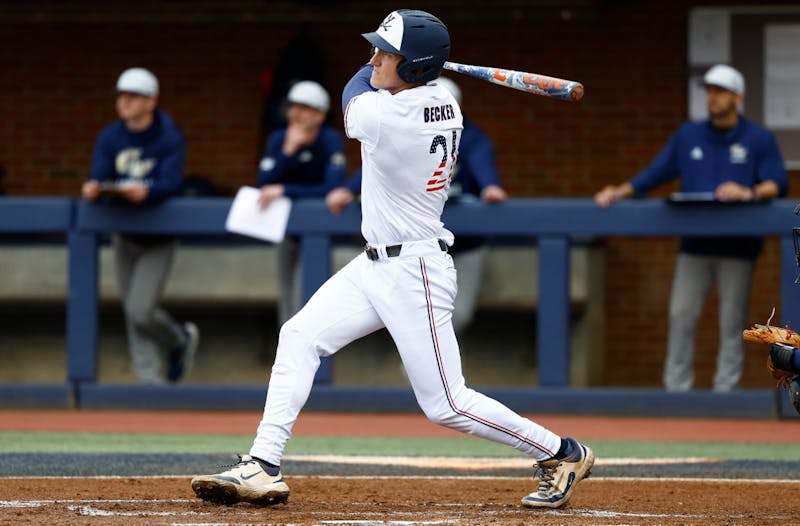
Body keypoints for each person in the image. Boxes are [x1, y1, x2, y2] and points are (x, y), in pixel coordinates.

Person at [191, 9, 593, 510]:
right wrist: (400, 59)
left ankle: (561, 452)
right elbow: (380, 83)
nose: (375, 58)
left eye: (386, 52)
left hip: (414, 270)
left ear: (415, 66)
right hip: (375, 264)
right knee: (299, 335)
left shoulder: (389, 116)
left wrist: (382, 65)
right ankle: (263, 464)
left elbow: (352, 92)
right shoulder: (443, 102)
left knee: (446, 403)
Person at [594, 64, 788, 392]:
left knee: (732, 322)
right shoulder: (688, 135)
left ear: (738, 97)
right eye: (709, 91)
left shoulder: (759, 138)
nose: (712, 98)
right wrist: (618, 191)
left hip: (739, 247)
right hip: (694, 245)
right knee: (681, 315)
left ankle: (725, 392)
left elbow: (778, 183)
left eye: (720, 92)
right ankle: (676, 391)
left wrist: (748, 192)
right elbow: (654, 173)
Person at [326, 76, 507, 335]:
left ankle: (436, 357)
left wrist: (490, 185)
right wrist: (349, 189)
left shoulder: (470, 136)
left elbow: (483, 165)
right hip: (419, 243)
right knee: (412, 319)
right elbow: (383, 163)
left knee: (457, 316)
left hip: (464, 243)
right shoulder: (407, 129)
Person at [81, 67, 199, 385]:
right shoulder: (110, 136)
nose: (125, 102)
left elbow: (171, 183)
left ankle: (179, 339)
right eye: (122, 95)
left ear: (151, 101)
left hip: (158, 236)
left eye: (133, 96)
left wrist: (148, 192)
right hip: (125, 233)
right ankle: (148, 382)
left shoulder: (168, 135)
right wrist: (95, 188)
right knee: (132, 314)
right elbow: (100, 175)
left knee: (141, 310)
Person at [256, 80, 347, 326]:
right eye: (292, 107)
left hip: (319, 228)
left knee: (309, 293)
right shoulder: (279, 139)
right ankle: (287, 345)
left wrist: (286, 189)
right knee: (286, 292)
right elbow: (263, 183)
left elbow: (331, 187)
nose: (295, 114)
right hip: (283, 227)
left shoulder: (329, 139)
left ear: (320, 115)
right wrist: (287, 152)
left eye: (304, 108)